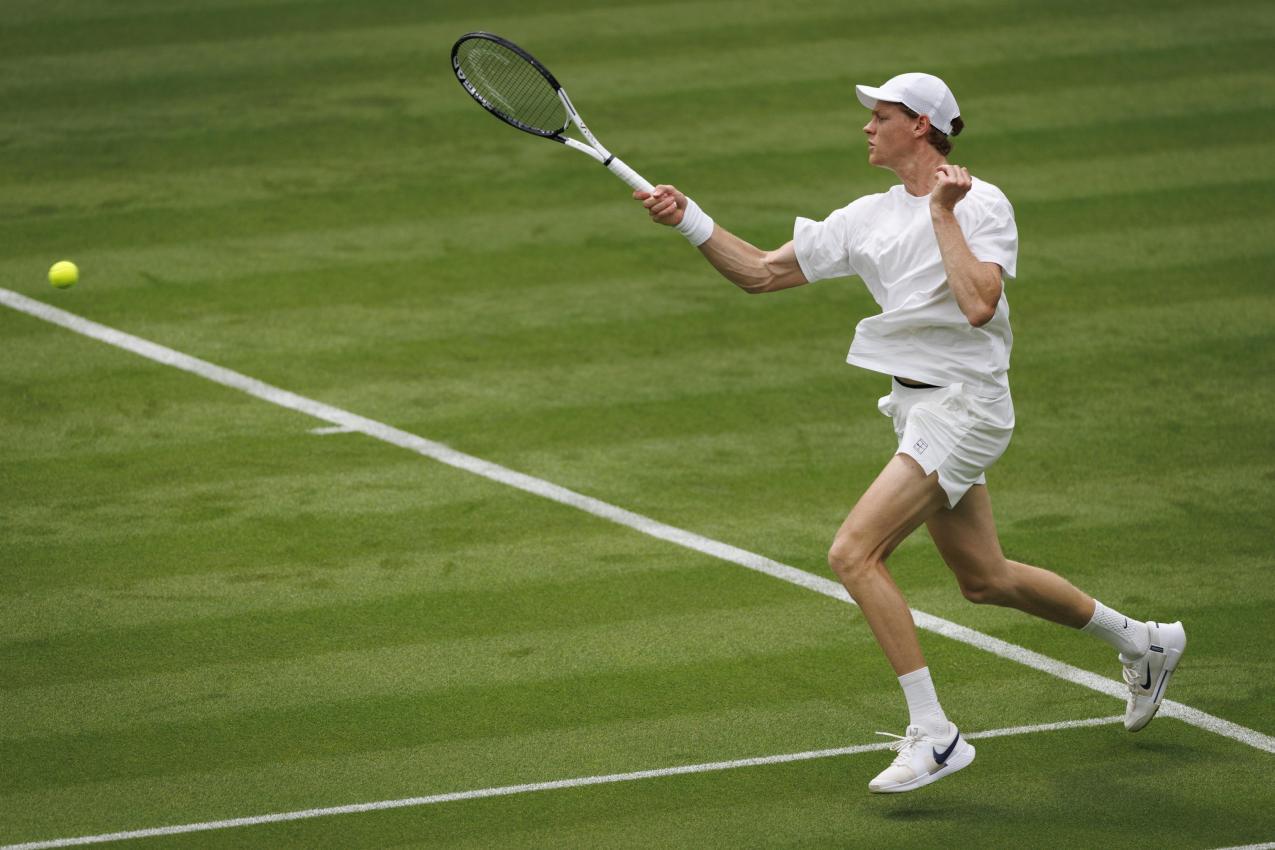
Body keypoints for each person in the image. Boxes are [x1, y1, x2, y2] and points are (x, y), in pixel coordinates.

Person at [634, 72, 1186, 793]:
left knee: (852, 553)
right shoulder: (866, 215)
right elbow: (761, 274)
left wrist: (944, 216)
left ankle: (935, 734)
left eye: (881, 115)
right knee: (984, 580)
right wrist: (688, 219)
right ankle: (1144, 643)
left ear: (920, 125)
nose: (866, 126)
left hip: (964, 406)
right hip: (916, 407)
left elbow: (979, 305)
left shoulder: (980, 203)